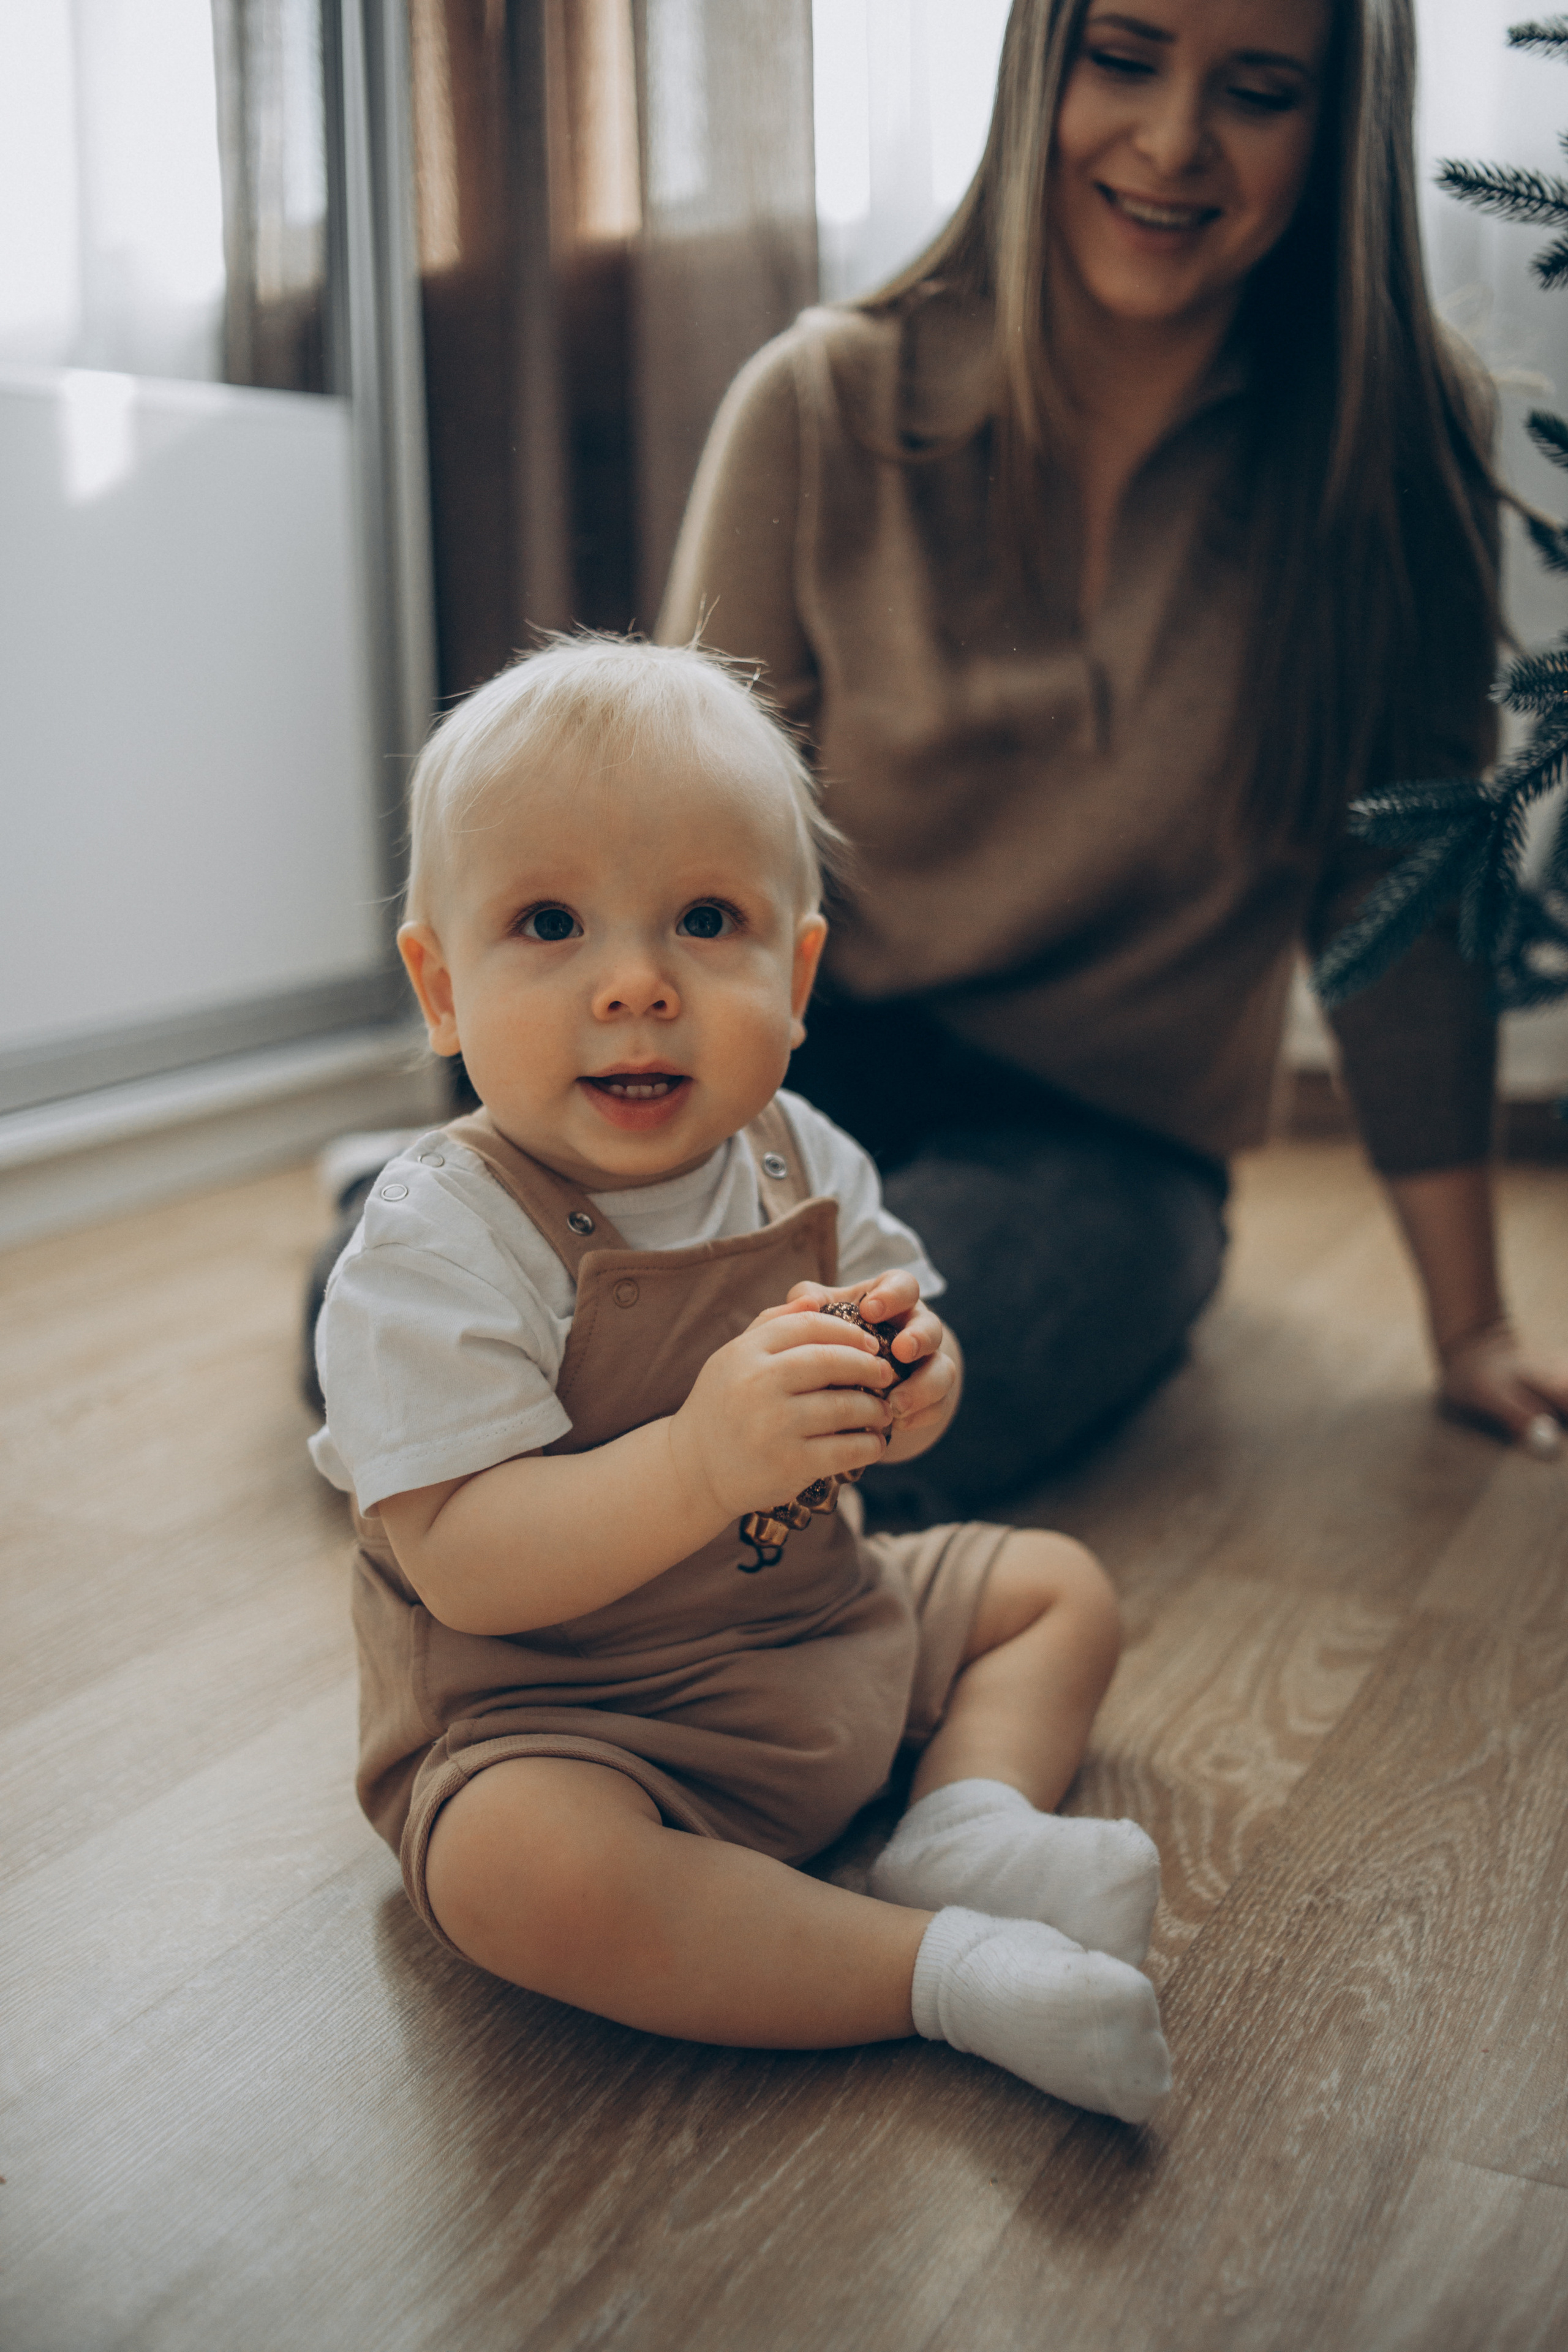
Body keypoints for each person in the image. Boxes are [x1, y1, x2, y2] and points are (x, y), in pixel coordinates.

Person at [658, 0, 1568, 1514]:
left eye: (1256, 91)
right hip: (786, 1067)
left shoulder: (1392, 449)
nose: (1169, 141)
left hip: (1095, 1143)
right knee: (422, 1331)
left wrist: (1470, 1325)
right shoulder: (815, 404)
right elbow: (676, 854)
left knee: (875, 1408)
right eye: (1124, 60)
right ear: (1041, 67)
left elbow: (1397, 909)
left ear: (1338, 128)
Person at [309, 635, 1173, 2121]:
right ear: (440, 989)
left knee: (1055, 1590)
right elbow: (461, 1565)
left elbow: (908, 1326)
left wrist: (919, 1378)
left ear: (798, 972)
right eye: (549, 923)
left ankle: (963, 1828)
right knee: (517, 1874)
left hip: (822, 1619)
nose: (636, 985)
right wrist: (701, 1462)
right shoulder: (438, 1241)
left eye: (706, 920)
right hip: (570, 1719)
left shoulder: (798, 1152)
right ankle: (941, 1974)